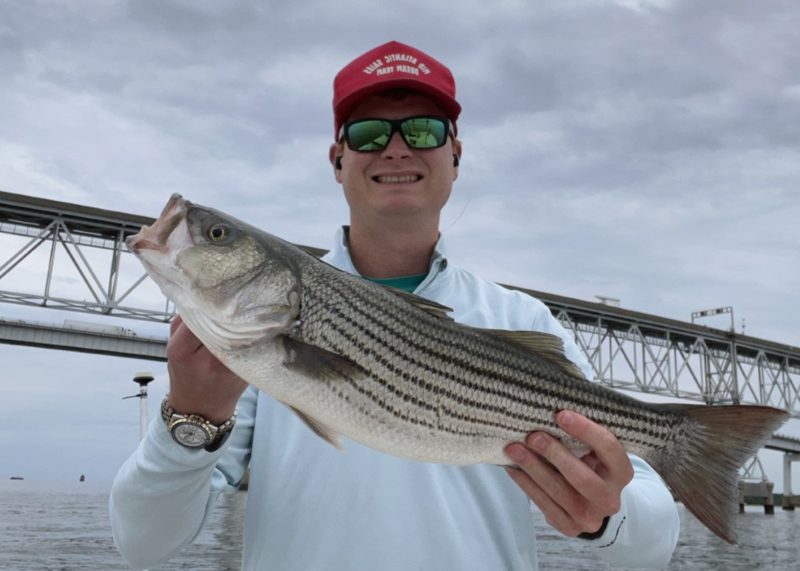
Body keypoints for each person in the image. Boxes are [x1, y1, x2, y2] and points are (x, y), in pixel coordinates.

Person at [110, 41, 679, 570]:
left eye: (425, 130)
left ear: (455, 157)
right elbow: (142, 545)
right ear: (338, 159)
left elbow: (652, 549)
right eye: (369, 133)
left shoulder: (523, 320)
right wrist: (192, 418)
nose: (398, 147)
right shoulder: (233, 363)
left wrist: (606, 515)